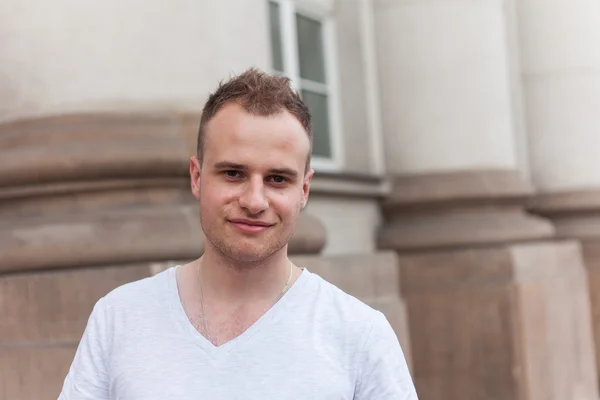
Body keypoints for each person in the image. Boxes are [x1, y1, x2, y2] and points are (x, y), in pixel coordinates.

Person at [58, 68, 418, 399]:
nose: (254, 200)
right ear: (197, 177)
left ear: (304, 190)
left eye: (278, 179)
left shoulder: (359, 334)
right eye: (233, 173)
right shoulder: (120, 317)